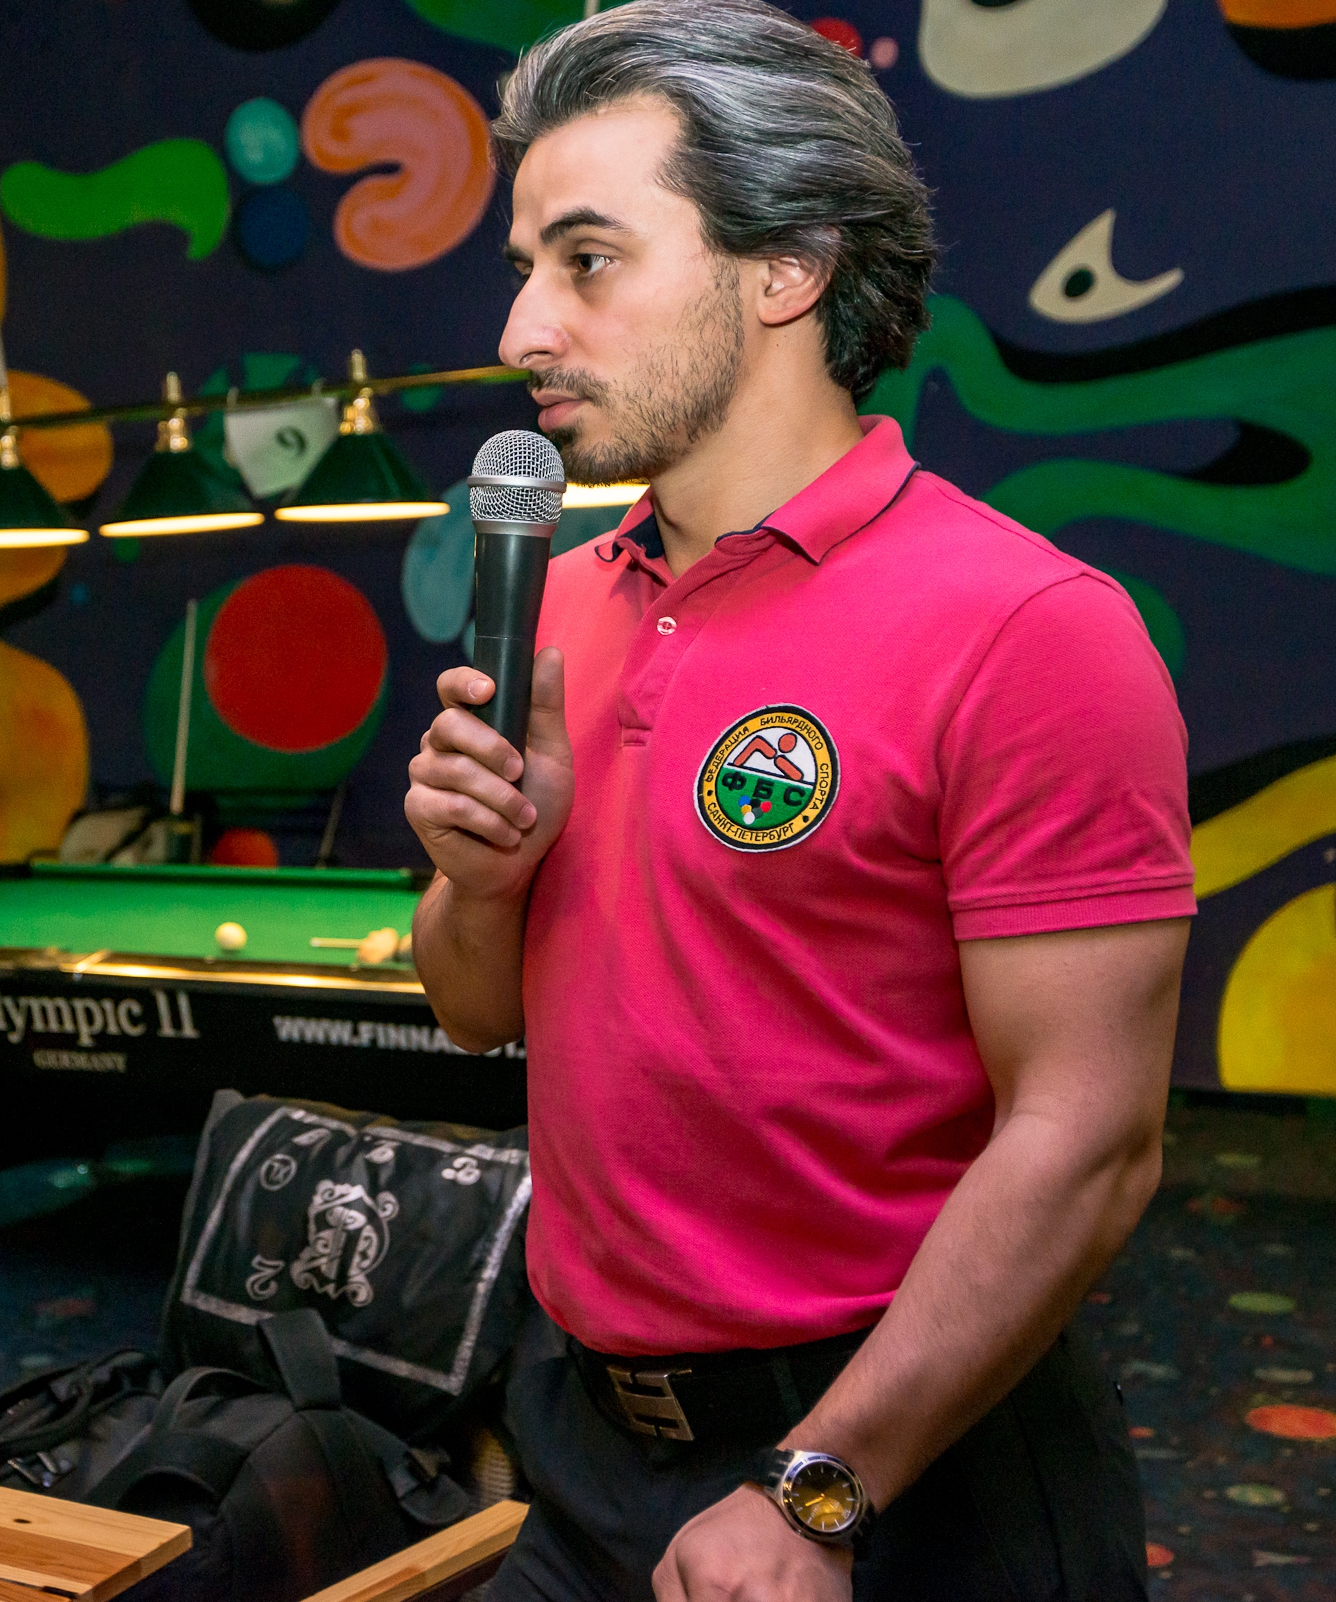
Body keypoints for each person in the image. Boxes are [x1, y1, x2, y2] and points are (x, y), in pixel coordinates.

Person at [403, 4, 1192, 1597]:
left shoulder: (1031, 627)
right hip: (580, 1438)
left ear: (787, 268)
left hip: (903, 1463)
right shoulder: (559, 599)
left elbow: (1090, 1138)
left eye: (587, 259)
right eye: (526, 265)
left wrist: (820, 1489)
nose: (524, 325)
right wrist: (482, 876)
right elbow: (474, 1014)